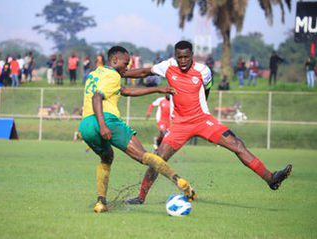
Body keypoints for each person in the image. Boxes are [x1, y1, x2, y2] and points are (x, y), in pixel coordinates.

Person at [124, 40, 292, 205]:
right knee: (158, 159)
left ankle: (271, 178)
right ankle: (140, 197)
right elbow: (144, 72)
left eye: (186, 57)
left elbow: (208, 87)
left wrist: (202, 107)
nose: (182, 61)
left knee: (237, 145)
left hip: (203, 120)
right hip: (180, 125)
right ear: (175, 56)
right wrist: (121, 73)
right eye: (179, 57)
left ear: (192, 56)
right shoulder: (168, 65)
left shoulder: (203, 70)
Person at [78, 46, 196, 213]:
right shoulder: (113, 76)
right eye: (126, 64)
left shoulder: (96, 73)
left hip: (86, 125)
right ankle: (179, 181)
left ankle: (101, 202)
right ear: (114, 61)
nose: (127, 68)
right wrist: (103, 125)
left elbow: (125, 91)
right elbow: (98, 97)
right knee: (144, 155)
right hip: (106, 120)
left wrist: (156, 89)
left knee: (107, 158)